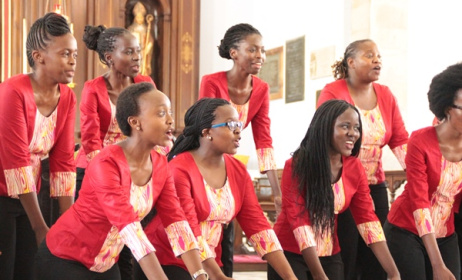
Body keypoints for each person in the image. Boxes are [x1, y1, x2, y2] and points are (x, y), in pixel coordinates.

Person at [35, 82, 207, 280]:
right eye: (161, 114)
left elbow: (176, 220)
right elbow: (128, 225)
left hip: (106, 264)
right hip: (64, 259)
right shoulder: (105, 163)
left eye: (170, 112)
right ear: (135, 122)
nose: (170, 120)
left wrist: (200, 275)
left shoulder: (160, 164)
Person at [138, 98, 297, 280]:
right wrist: (217, 275)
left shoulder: (238, 170)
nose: (238, 130)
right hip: (169, 260)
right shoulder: (179, 170)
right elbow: (189, 229)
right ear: (206, 132)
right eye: (230, 124)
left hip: (211, 261)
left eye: (239, 124)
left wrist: (290, 277)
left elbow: (259, 227)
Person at [270, 99, 400, 280]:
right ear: (325, 127)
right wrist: (319, 275)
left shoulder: (354, 168)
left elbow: (367, 220)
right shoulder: (297, 165)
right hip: (289, 253)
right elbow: (299, 221)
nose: (353, 134)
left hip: (330, 252)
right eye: (345, 126)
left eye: (356, 128)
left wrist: (393, 272)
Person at [317, 39, 409, 280]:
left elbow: (399, 139)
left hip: (374, 185)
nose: (377, 60)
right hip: (340, 186)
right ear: (351, 62)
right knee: (347, 253)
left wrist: (419, 174)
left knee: (376, 254)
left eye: (378, 56)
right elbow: (326, 138)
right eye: (369, 56)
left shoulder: (386, 95)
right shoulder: (333, 92)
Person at [75, 24, 158, 280]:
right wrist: (109, 177)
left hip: (137, 173)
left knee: (132, 244)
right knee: (103, 242)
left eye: (138, 51)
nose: (137, 57)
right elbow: (90, 141)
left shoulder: (145, 84)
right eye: (130, 52)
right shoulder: (93, 88)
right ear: (110, 58)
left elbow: (153, 126)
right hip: (95, 173)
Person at [199, 23, 281, 276]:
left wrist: (276, 192)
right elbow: (204, 130)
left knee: (227, 236)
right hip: (204, 163)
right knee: (204, 231)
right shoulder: (211, 82)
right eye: (253, 50)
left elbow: (263, 140)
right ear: (234, 53)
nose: (260, 56)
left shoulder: (262, 89)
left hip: (230, 165)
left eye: (263, 51)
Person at [0, 12, 77, 280]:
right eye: (65, 53)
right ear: (38, 56)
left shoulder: (66, 96)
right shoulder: (13, 90)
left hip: (30, 196)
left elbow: (64, 162)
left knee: (29, 270)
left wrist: (66, 226)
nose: (72, 61)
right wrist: (40, 228)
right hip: (2, 195)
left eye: (75, 54)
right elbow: (16, 161)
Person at [384, 63, 462, 280]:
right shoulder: (420, 140)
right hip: (406, 230)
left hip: (446, 233)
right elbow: (420, 203)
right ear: (448, 107)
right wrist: (437, 264)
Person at [127, 1, 154, 76]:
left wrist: (148, 47)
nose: (139, 19)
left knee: (142, 68)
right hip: (133, 52)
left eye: (141, 17)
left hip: (143, 51)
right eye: (138, 17)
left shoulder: (146, 29)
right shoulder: (131, 29)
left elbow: (150, 40)